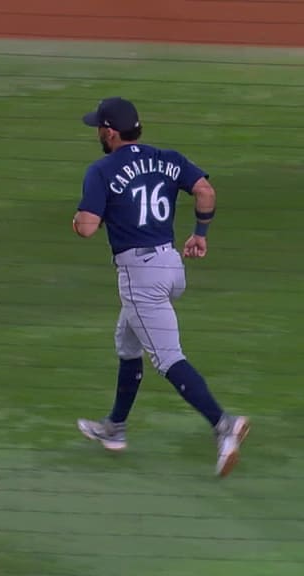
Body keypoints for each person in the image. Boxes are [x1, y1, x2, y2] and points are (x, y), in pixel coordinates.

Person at [71, 96, 250, 478]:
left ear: (109, 131)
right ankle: (114, 428)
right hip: (171, 265)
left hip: (140, 276)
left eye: (98, 128)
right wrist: (200, 233)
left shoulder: (101, 170)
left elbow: (86, 227)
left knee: (168, 359)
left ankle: (224, 425)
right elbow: (205, 192)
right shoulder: (169, 158)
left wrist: (81, 218)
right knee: (127, 341)